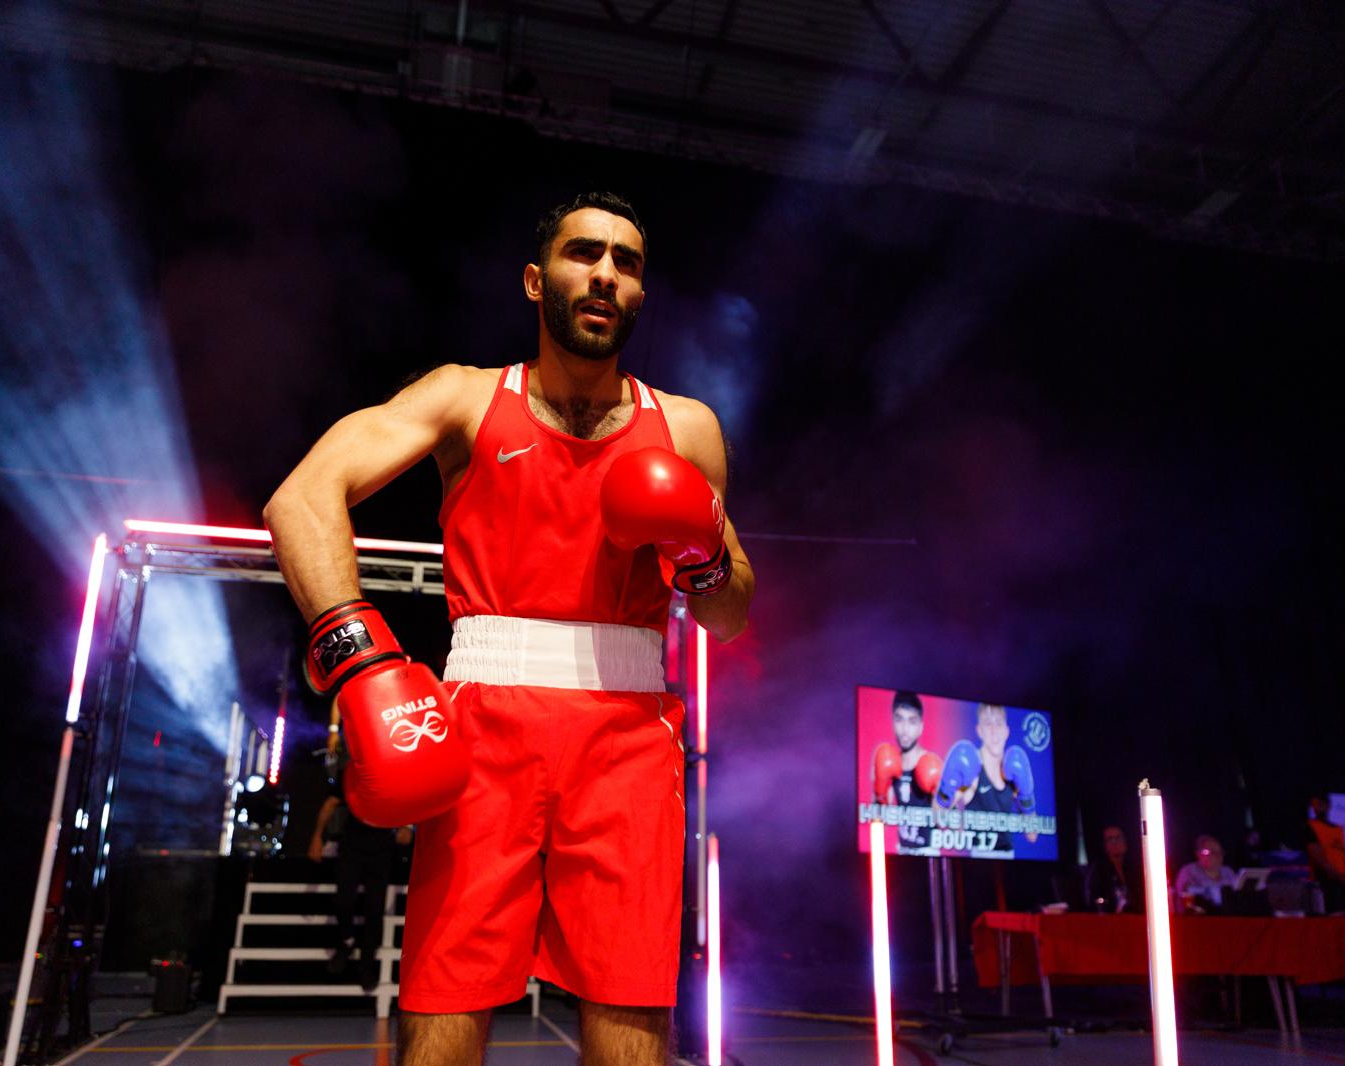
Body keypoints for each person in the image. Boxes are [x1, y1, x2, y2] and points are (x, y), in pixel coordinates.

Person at [264, 191, 755, 1066]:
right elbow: (302, 496)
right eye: (584, 253)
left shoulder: (685, 429)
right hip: (482, 735)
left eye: (627, 262)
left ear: (640, 295)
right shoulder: (463, 397)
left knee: (632, 1015)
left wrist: (703, 553)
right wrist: (359, 657)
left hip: (630, 739)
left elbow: (730, 613)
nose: (605, 273)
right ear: (538, 280)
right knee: (445, 1005)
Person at [308, 739, 409, 990]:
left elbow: (408, 798)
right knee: (343, 900)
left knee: (375, 910)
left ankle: (366, 965)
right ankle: (346, 940)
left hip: (382, 847)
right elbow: (330, 804)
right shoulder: (351, 773)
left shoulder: (394, 771)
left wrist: (407, 825)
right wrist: (316, 838)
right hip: (352, 844)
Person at [955, 703, 1038, 856]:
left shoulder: (1013, 771)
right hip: (977, 860)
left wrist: (1026, 796)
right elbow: (941, 813)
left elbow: (1032, 835)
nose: (994, 731)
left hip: (1008, 859)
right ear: (980, 731)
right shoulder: (972, 768)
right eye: (988, 723)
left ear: (1006, 731)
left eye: (998, 723)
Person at [871, 691, 941, 854]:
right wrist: (879, 793)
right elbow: (878, 820)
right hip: (902, 852)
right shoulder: (887, 758)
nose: (905, 729)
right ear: (893, 722)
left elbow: (945, 823)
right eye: (899, 719)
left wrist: (942, 796)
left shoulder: (933, 763)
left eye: (912, 721)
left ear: (921, 727)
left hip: (929, 853)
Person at [1302, 792, 1345, 914]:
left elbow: (1343, 853)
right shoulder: (1311, 827)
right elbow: (1318, 857)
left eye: (1319, 805)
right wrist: (1338, 876)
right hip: (1325, 881)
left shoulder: (1338, 829)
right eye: (1313, 806)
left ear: (1327, 806)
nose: (1316, 809)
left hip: (1342, 881)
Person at [1087, 825, 1144, 914]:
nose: (1115, 843)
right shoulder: (1098, 870)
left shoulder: (1135, 867)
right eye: (1110, 839)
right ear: (1104, 845)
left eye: (1118, 838)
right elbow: (1094, 900)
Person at [1174, 834, 1237, 913]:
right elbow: (1186, 898)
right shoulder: (1188, 872)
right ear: (1199, 854)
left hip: (1229, 918)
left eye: (1220, 852)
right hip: (1199, 920)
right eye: (1212, 852)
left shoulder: (1228, 872)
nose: (1218, 856)